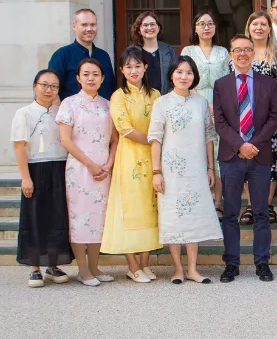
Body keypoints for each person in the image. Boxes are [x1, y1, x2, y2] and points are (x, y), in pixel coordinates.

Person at [148, 56, 223, 284]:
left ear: (194, 77)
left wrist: (211, 167)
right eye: (179, 72)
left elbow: (209, 136)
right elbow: (155, 138)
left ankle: (192, 269)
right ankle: (178, 269)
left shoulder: (201, 102)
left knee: (193, 218)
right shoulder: (161, 103)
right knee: (173, 218)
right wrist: (156, 171)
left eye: (189, 72)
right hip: (171, 171)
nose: (184, 76)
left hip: (197, 169)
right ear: (171, 74)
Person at [213, 35, 277, 283]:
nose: (242, 54)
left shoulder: (268, 83)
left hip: (260, 156)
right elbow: (219, 122)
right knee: (230, 212)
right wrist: (241, 145)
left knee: (261, 211)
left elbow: (274, 117)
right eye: (237, 50)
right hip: (231, 156)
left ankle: (262, 262)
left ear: (254, 53)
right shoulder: (221, 85)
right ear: (231, 54)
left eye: (247, 50)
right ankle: (231, 263)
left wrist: (253, 145)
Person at [101, 47, 163, 283]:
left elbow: (162, 123)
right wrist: (153, 139)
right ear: (121, 70)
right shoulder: (118, 96)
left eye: (138, 65)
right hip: (129, 159)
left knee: (150, 209)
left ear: (145, 67)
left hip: (154, 158)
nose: (133, 70)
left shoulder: (156, 95)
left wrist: (157, 142)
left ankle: (145, 264)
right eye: (128, 67)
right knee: (130, 211)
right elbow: (124, 128)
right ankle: (133, 265)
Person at [56, 58, 118, 286]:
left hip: (103, 168)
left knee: (99, 218)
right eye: (86, 74)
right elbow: (65, 140)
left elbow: (114, 139)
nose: (91, 78)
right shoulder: (69, 104)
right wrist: (91, 165)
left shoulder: (108, 104)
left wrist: (109, 164)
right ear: (78, 78)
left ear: (102, 78)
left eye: (95, 74)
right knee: (80, 218)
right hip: (80, 169)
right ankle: (82, 270)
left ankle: (94, 266)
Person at [11, 70, 73, 288]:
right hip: (36, 169)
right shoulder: (25, 113)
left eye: (54, 86)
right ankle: (35, 267)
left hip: (60, 167)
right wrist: (25, 178)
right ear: (35, 86)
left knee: (58, 217)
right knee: (35, 217)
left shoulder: (61, 112)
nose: (49, 90)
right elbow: (19, 146)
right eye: (44, 85)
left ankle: (53, 264)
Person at [230, 11, 277, 226]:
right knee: (246, 156)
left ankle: (266, 204)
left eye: (263, 24)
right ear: (249, 27)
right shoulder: (242, 51)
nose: (259, 27)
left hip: (270, 113)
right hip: (244, 113)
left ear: (269, 28)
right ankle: (251, 205)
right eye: (254, 23)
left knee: (271, 159)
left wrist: (269, 103)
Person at [181, 11, 230, 220]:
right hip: (194, 102)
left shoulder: (223, 51)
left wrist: (217, 106)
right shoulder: (188, 51)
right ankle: (200, 201)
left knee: (219, 154)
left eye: (210, 23)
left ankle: (218, 202)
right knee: (198, 151)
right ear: (195, 28)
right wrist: (204, 104)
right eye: (202, 24)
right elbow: (184, 79)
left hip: (222, 105)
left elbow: (230, 79)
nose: (206, 27)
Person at [48, 8, 115, 100]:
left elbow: (111, 88)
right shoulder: (62, 55)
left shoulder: (104, 56)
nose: (89, 29)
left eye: (93, 25)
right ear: (74, 26)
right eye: (84, 25)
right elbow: (52, 89)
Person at [130, 11, 179, 94]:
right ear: (139, 30)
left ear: (158, 28)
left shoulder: (170, 51)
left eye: (152, 24)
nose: (149, 28)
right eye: (145, 25)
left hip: (166, 100)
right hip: (139, 101)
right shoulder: (132, 52)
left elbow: (177, 76)